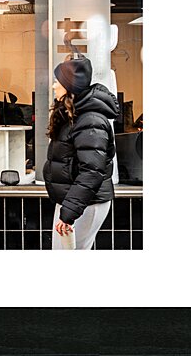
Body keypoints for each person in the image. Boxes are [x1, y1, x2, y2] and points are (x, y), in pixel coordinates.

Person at [43, 54, 118, 250]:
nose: (53, 86)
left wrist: (68, 214)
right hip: (75, 202)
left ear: (69, 86)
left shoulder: (90, 120)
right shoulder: (74, 114)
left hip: (85, 204)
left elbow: (91, 171)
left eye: (57, 81)